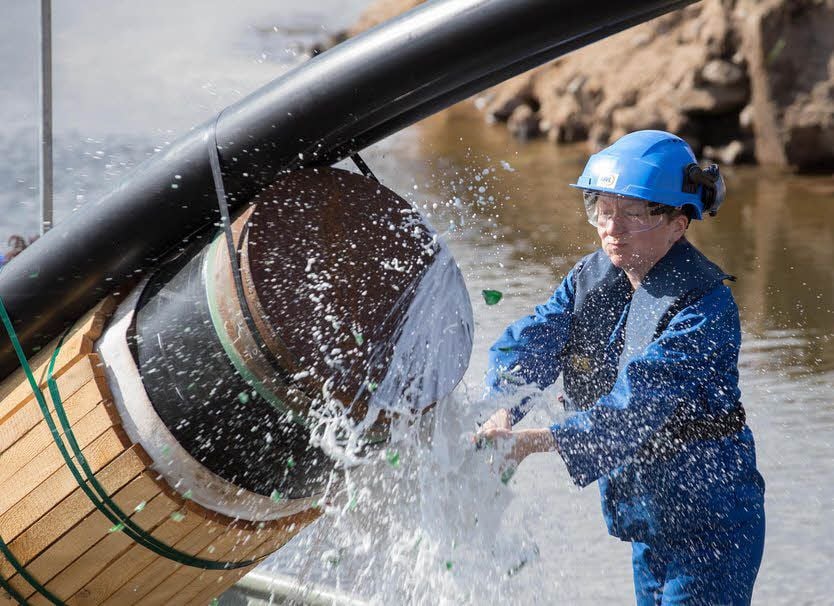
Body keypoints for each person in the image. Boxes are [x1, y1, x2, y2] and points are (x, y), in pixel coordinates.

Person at [477, 130, 765, 605]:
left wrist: (529, 444)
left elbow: (636, 407)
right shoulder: (588, 282)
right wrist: (503, 409)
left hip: (711, 528)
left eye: (633, 213)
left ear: (678, 222)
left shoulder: (705, 307)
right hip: (647, 518)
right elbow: (531, 342)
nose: (613, 227)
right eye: (603, 210)